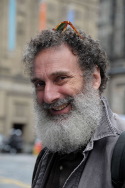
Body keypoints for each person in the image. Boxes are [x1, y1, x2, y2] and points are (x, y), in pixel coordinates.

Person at [23, 21, 125, 188]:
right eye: (40, 84)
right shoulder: (48, 153)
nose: (49, 96)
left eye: (61, 78)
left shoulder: (120, 150)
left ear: (94, 79)